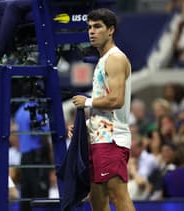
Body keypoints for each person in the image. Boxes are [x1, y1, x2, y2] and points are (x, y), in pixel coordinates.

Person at [71, 8, 135, 211]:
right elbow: (105, 109)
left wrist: (87, 102)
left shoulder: (115, 58)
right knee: (97, 200)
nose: (91, 31)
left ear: (111, 30)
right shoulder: (103, 60)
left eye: (97, 27)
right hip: (98, 137)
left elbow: (116, 100)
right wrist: (85, 126)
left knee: (118, 195)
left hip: (112, 139)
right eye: (89, 27)